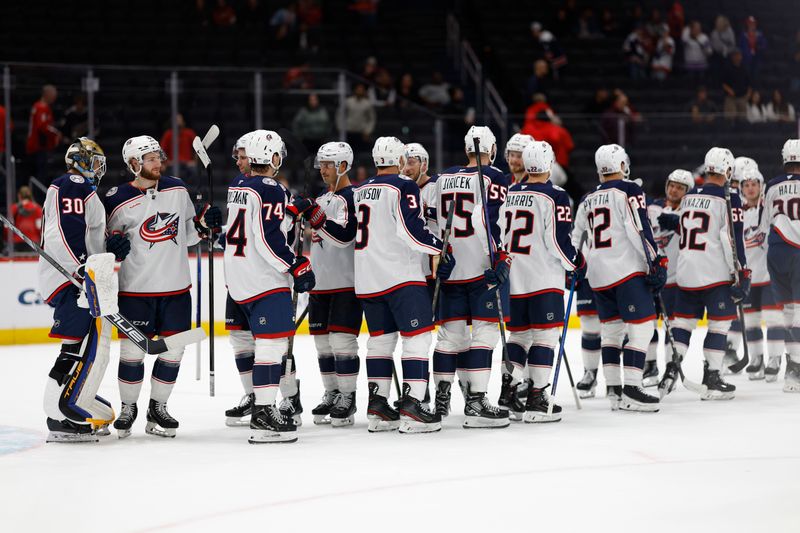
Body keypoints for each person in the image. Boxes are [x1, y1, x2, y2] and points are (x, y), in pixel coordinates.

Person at [105, 135, 217, 438]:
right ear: (133, 164)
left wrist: (206, 225)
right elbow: (107, 242)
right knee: (132, 353)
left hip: (176, 289)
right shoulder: (116, 198)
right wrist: (111, 246)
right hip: (135, 291)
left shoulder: (178, 188)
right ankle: (128, 408)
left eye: (159, 156)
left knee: (173, 352)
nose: (159, 162)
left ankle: (159, 407)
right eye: (151, 158)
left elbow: (192, 234)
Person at [353, 136, 452, 434]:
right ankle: (412, 407)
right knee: (418, 338)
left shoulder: (361, 190)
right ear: (398, 161)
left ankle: (378, 407)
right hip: (400, 277)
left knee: (380, 341)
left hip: (368, 278)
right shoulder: (403, 186)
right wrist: (439, 248)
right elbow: (412, 232)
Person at [223, 129, 315, 443]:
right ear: (273, 157)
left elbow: (258, 225)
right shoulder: (272, 188)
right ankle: (264, 411)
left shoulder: (238, 185)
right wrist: (296, 264)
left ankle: (277, 401)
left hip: (238, 277)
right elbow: (268, 237)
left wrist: (290, 211)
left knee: (260, 344)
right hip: (264, 279)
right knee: (272, 345)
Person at [38, 137, 130, 442]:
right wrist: (80, 268)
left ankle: (65, 407)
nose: (98, 168)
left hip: (78, 275)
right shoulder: (74, 184)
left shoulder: (80, 189)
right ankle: (58, 414)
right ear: (80, 162)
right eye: (94, 161)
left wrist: (108, 247)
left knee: (83, 345)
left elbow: (82, 233)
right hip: (72, 278)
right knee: (76, 346)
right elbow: (61, 233)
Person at [572, 144, 665, 412]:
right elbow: (638, 228)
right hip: (625, 271)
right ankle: (633, 389)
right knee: (643, 327)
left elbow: (578, 237)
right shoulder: (629, 190)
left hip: (598, 275)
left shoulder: (589, 198)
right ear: (623, 166)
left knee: (611, 331)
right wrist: (654, 261)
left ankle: (614, 389)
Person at [498, 141, 584, 422]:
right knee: (545, 337)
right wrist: (576, 262)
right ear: (548, 164)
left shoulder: (509, 193)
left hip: (514, 278)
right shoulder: (555, 195)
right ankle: (537, 397)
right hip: (542, 278)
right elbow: (558, 241)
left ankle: (508, 393)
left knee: (519, 337)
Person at [432, 126, 511, 428]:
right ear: (491, 149)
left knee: (449, 336)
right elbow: (487, 220)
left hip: (450, 267)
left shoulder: (442, 178)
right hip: (481, 268)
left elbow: (430, 220)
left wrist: (438, 256)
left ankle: (440, 399)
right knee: (484, 334)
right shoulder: (494, 176)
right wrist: (500, 255)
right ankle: (476, 401)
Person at [661, 147, 749, 400]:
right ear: (728, 170)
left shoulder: (689, 195)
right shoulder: (729, 197)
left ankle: (670, 370)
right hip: (714, 273)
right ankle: (712, 377)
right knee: (719, 323)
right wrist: (742, 273)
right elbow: (732, 239)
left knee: (684, 324)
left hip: (686, 271)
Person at [300, 142, 361, 427]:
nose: (322, 170)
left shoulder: (353, 197)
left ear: (343, 166)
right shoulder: (322, 198)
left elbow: (346, 235)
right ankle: (332, 392)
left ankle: (348, 397)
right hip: (320, 284)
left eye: (328, 165)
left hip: (346, 283)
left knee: (342, 342)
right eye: (321, 165)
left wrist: (316, 217)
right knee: (322, 344)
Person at [723, 166, 785, 380]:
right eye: (746, 185)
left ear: (761, 186)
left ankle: (774, 359)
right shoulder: (738, 214)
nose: (750, 188)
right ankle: (757, 358)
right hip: (749, 278)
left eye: (754, 184)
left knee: (773, 318)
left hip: (769, 276)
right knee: (750, 321)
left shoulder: (768, 209)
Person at [645, 169, 694, 386]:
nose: (674, 190)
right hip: (651, 277)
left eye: (680, 188)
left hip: (675, 280)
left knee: (673, 327)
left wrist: (677, 222)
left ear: (687, 192)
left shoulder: (691, 212)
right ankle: (650, 364)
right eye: (672, 185)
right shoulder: (652, 208)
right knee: (645, 324)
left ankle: (669, 369)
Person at [222, 132, 258, 427]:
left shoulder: (271, 189)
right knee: (240, 339)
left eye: (242, 156)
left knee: (272, 343)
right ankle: (252, 396)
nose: (238, 161)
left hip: (260, 278)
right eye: (236, 156)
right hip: (236, 278)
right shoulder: (236, 185)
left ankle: (288, 399)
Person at [763, 139, 800, 392]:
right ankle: (795, 368)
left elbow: (767, 221)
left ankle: (791, 364)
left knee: (788, 308)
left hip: (776, 249)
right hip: (798, 248)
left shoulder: (773, 184)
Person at [402, 142, 439, 299]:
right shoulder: (399, 189)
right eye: (403, 163)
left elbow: (448, 217)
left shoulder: (438, 184)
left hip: (433, 269)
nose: (406, 169)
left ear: (424, 165)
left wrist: (426, 211)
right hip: (409, 271)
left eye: (411, 163)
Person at [26, 84, 62, 180]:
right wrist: (56, 134)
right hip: (38, 147)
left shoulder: (38, 106)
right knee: (40, 175)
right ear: (47, 95)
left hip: (37, 146)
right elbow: (42, 126)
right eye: (53, 96)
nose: (54, 99)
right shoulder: (41, 107)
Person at [159, 113, 198, 179]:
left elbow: (198, 148)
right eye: (176, 120)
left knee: (194, 172)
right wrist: (166, 162)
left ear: (183, 121)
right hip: (173, 164)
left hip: (187, 164)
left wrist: (194, 161)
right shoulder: (168, 134)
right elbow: (161, 150)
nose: (178, 122)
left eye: (179, 120)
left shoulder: (189, 133)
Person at [340, 83, 375, 154]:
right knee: (348, 153)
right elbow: (341, 115)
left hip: (361, 133)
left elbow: (371, 119)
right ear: (355, 90)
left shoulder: (367, 104)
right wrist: (341, 128)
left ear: (364, 91)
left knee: (360, 153)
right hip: (349, 132)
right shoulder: (348, 102)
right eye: (358, 89)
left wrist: (368, 131)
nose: (359, 91)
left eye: (361, 89)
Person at [9, 186, 43, 253]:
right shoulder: (37, 208)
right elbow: (39, 227)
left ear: (19, 195)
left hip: (17, 241)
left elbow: (8, 227)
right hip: (33, 241)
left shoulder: (13, 208)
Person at [721, 50, 752, 121]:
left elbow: (749, 83)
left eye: (739, 55)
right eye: (736, 55)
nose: (738, 57)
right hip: (731, 97)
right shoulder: (727, 68)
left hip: (742, 97)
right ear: (732, 57)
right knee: (730, 118)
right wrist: (729, 90)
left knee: (742, 118)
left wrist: (748, 93)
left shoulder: (745, 68)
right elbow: (723, 83)